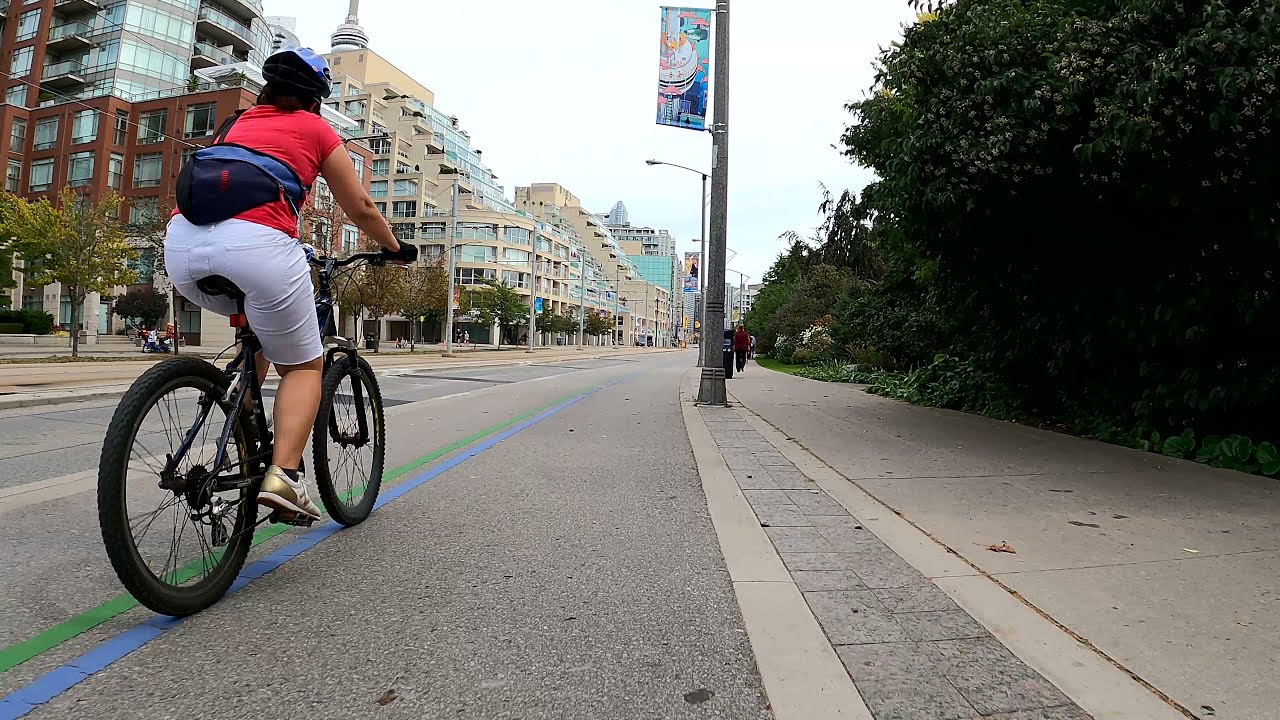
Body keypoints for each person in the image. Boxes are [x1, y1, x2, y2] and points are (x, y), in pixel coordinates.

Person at [164, 47, 415, 521]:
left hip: (181, 248)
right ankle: (283, 476)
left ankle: (240, 434)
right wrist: (395, 247)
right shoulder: (316, 128)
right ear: (316, 96)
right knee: (303, 366)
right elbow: (359, 205)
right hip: (260, 248)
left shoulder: (234, 124)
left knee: (260, 332)